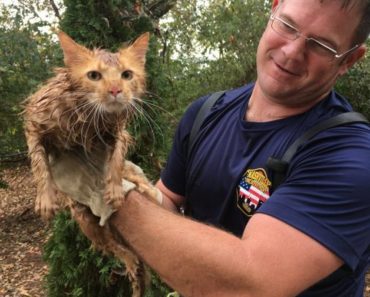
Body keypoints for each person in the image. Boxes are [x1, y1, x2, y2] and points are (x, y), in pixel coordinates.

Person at [69, 0, 370, 296]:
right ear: (274, 8)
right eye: (288, 25)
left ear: (348, 61)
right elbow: (169, 201)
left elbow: (249, 286)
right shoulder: (206, 112)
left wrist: (109, 192)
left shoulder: (351, 158)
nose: (292, 52)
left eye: (321, 45)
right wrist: (120, 176)